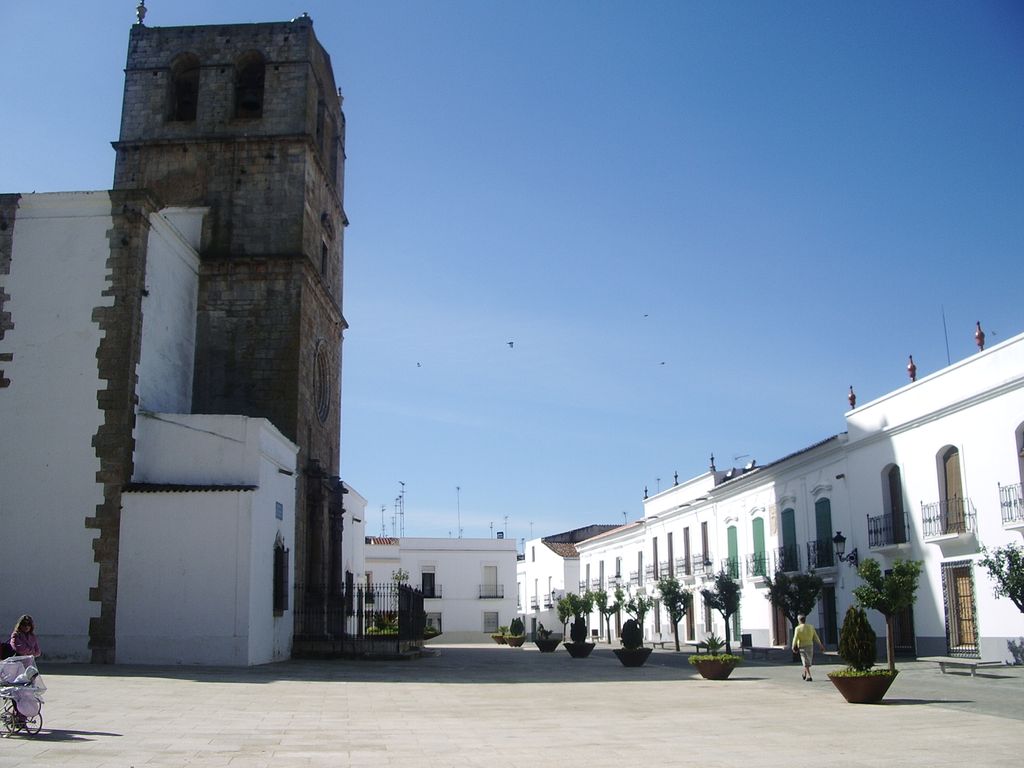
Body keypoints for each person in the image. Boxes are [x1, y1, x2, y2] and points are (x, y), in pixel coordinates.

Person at [791, 614, 824, 681]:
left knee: (805, 662)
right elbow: (816, 637)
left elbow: (795, 638)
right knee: (807, 661)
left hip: (802, 646)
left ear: (799, 620)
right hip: (810, 645)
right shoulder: (811, 627)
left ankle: (809, 676)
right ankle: (804, 674)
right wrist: (820, 645)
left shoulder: (797, 628)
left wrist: (793, 646)